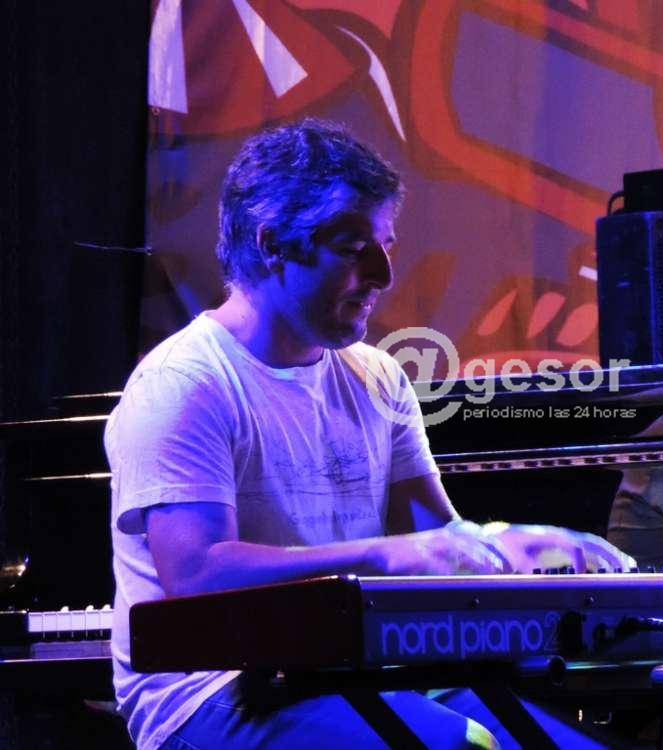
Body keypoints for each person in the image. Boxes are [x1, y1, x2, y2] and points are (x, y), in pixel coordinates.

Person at [106, 118, 634, 750]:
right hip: (213, 691)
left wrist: (510, 545)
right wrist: (377, 558)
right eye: (354, 247)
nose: (383, 274)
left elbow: (434, 539)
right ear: (273, 243)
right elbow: (195, 574)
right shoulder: (186, 382)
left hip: (353, 672)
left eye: (386, 244)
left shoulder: (377, 377)